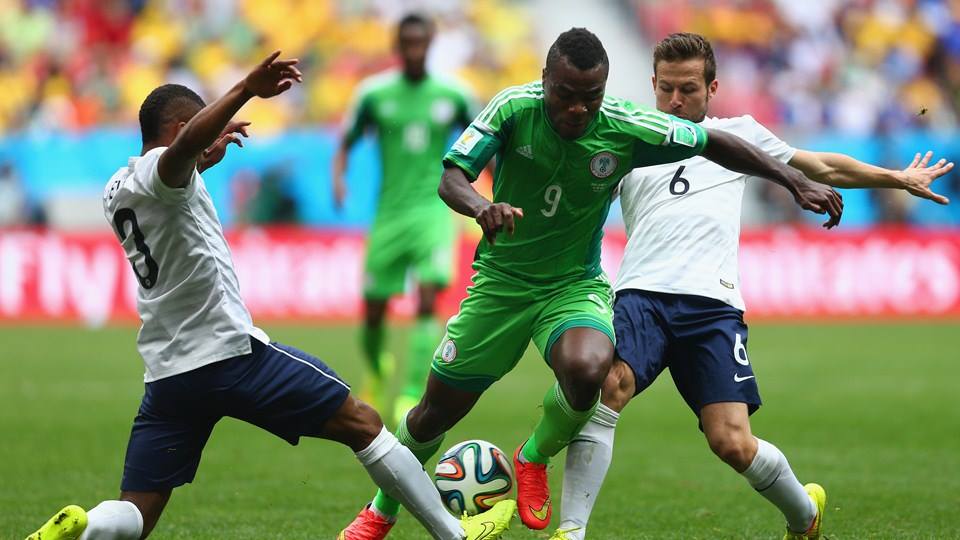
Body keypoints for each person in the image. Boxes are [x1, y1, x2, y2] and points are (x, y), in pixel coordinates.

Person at [339, 27, 844, 539]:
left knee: (589, 369)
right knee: (431, 414)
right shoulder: (513, 108)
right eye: (566, 94)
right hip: (501, 286)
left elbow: (715, 141)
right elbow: (451, 176)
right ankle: (381, 509)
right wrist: (481, 206)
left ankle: (533, 459)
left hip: (572, 287)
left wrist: (794, 179)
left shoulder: (625, 126)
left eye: (591, 97)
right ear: (545, 81)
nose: (578, 109)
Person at [26, 51, 515, 540]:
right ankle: (455, 533)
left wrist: (203, 155)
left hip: (168, 375)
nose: (209, 137)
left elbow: (176, 172)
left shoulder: (118, 187)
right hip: (227, 355)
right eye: (199, 127)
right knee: (364, 423)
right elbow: (177, 155)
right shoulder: (163, 167)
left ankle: (88, 525)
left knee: (136, 513)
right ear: (179, 127)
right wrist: (244, 88)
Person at [554, 32, 953, 540]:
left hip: (712, 308)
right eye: (667, 89)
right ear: (653, 84)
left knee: (732, 442)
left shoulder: (738, 135)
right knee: (609, 388)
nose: (676, 101)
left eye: (689, 90)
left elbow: (821, 166)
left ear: (712, 87)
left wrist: (896, 178)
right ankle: (571, 532)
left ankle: (804, 516)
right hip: (641, 296)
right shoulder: (633, 137)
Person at [332, 13, 476, 424]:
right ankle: (378, 373)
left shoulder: (453, 93)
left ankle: (412, 389)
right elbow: (346, 142)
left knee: (429, 299)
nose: (414, 49)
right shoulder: (374, 95)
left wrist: (495, 188)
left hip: (433, 209)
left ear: (430, 44)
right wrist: (339, 178)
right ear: (398, 46)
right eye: (407, 43)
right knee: (373, 307)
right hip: (389, 214)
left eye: (421, 42)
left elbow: (488, 138)